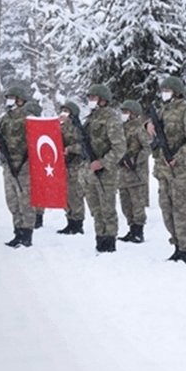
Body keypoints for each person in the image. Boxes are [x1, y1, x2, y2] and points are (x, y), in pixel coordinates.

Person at [149, 76, 186, 263]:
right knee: (166, 209)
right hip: (163, 169)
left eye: (167, 90)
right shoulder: (163, 111)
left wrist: (178, 156)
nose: (164, 93)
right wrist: (148, 127)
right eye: (163, 90)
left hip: (179, 170)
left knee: (180, 210)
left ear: (177, 92)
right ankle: (177, 245)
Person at [81, 84, 126, 253]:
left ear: (102, 99)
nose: (90, 101)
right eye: (89, 98)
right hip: (90, 171)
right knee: (96, 209)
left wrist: (103, 162)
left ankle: (110, 241)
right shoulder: (90, 118)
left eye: (94, 98)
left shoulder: (111, 118)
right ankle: (100, 239)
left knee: (107, 209)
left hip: (106, 172)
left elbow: (120, 148)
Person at [0, 86, 36, 248]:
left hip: (24, 166)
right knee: (12, 201)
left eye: (12, 97)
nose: (9, 101)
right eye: (8, 97)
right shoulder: (5, 118)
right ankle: (17, 232)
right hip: (8, 166)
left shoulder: (29, 118)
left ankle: (27, 234)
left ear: (20, 100)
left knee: (25, 201)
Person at [117, 100, 151, 244]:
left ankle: (138, 232)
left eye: (126, 112)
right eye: (123, 112)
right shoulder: (120, 129)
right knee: (126, 205)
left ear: (134, 114)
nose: (123, 115)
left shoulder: (139, 129)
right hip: (123, 175)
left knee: (137, 205)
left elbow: (147, 148)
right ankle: (131, 229)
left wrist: (135, 159)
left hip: (136, 174)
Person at [56, 101, 88, 235]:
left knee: (75, 195)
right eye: (62, 110)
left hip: (76, 165)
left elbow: (84, 146)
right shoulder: (59, 126)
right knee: (66, 195)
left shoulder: (78, 128)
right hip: (63, 165)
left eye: (67, 111)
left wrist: (70, 149)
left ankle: (77, 223)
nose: (63, 113)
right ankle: (69, 221)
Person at [25, 100, 45, 230]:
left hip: (37, 163)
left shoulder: (42, 127)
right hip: (23, 164)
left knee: (38, 190)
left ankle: (38, 216)